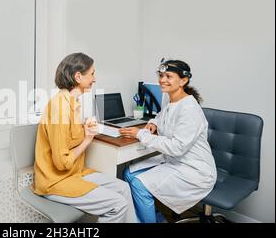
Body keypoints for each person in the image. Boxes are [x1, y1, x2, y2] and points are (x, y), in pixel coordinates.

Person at [33, 53, 137, 223]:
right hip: (55, 181)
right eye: (92, 73)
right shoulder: (59, 107)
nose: (94, 79)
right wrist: (88, 139)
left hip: (75, 172)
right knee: (117, 204)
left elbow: (67, 137)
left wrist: (84, 128)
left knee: (124, 188)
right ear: (78, 76)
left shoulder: (73, 103)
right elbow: (61, 162)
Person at [119, 59, 217, 223]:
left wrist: (141, 134)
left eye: (168, 76)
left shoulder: (190, 109)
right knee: (128, 173)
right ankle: (156, 219)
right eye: (161, 75)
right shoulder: (172, 100)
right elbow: (162, 116)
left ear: (183, 81)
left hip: (194, 171)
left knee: (138, 184)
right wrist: (152, 124)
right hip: (175, 161)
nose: (162, 80)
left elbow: (177, 147)